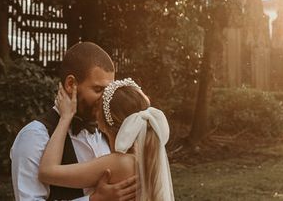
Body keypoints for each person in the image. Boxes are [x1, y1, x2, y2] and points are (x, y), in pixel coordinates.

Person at [11, 42, 137, 201]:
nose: (107, 99)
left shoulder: (109, 131)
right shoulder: (34, 136)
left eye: (109, 91)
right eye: (98, 90)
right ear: (71, 84)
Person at [38, 78, 175, 201]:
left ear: (103, 123)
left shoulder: (120, 162)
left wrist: (65, 118)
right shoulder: (147, 158)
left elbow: (47, 172)